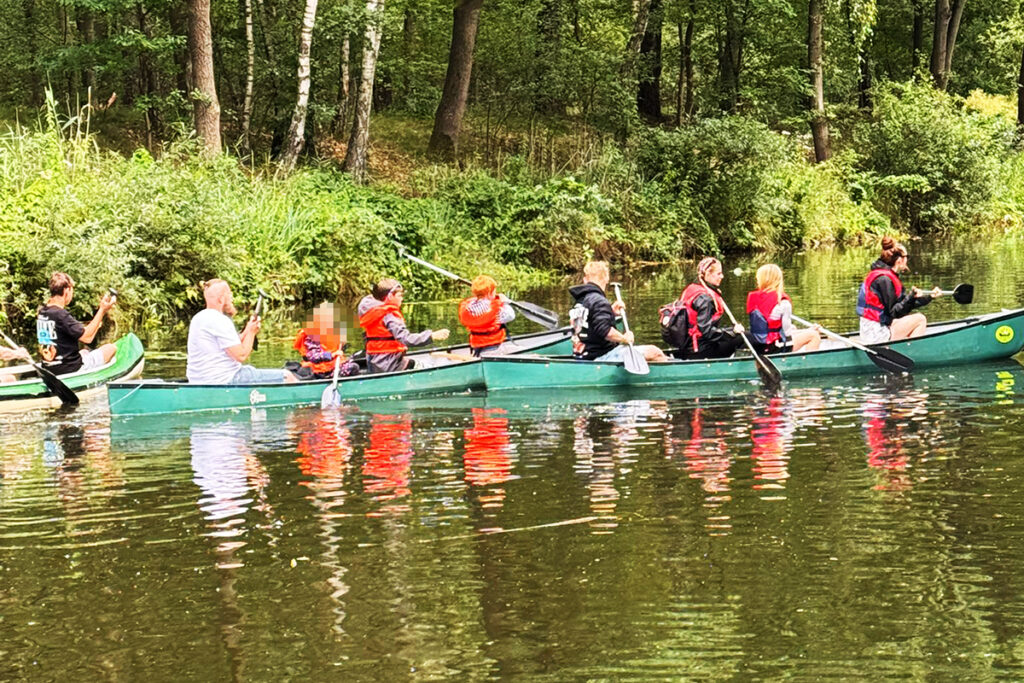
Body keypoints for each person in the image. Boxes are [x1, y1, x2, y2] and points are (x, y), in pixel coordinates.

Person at [186, 279, 298, 384]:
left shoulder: (198, 318)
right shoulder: (220, 320)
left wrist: (247, 329)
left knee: (250, 370)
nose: (232, 297)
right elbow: (241, 356)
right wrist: (252, 332)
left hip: (199, 381)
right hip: (226, 379)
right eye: (229, 294)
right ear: (221, 299)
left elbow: (230, 345)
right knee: (287, 376)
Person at [568, 261, 667, 362]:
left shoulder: (579, 302)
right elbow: (605, 331)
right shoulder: (598, 301)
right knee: (654, 352)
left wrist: (610, 312)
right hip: (600, 357)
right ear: (606, 278)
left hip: (582, 357)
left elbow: (590, 323)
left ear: (585, 279)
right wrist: (624, 338)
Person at [857, 236, 942, 343]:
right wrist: (910, 297)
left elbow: (903, 305)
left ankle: (906, 346)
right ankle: (911, 350)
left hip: (877, 328)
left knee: (907, 320)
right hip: (876, 334)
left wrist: (929, 297)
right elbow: (894, 313)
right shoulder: (884, 280)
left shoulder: (885, 275)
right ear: (899, 260)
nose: (907, 260)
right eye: (907, 257)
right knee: (920, 319)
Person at [357, 278, 450, 374]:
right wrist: (431, 336)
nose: (402, 298)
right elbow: (406, 339)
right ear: (390, 296)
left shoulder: (372, 312)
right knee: (427, 368)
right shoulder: (389, 316)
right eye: (399, 295)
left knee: (412, 362)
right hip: (389, 364)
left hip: (374, 362)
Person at [36, 272, 117, 376]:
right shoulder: (61, 315)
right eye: (72, 290)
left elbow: (74, 333)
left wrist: (96, 325)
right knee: (111, 348)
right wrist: (102, 310)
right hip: (69, 369)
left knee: (84, 352)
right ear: (67, 290)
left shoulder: (42, 312)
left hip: (50, 368)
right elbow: (87, 338)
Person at [666, 257, 746, 360]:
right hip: (701, 350)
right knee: (746, 337)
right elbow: (707, 332)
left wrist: (730, 330)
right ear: (708, 274)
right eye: (718, 273)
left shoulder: (691, 289)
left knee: (736, 334)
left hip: (687, 347)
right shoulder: (705, 299)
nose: (722, 276)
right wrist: (733, 333)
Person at [746, 264, 821, 354]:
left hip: (756, 344)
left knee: (793, 327)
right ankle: (810, 362)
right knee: (813, 335)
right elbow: (787, 333)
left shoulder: (753, 298)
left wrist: (800, 331)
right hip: (774, 346)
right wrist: (809, 330)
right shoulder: (783, 301)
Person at [458, 275, 522, 357]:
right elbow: (511, 315)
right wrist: (505, 302)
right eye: (494, 290)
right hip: (494, 348)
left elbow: (478, 300)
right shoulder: (494, 310)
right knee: (521, 349)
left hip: (476, 347)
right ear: (490, 293)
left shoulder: (468, 308)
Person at [291, 302, 358, 379]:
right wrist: (331, 355)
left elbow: (335, 349)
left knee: (354, 366)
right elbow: (313, 356)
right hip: (320, 370)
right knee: (351, 368)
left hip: (332, 365)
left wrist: (342, 345)